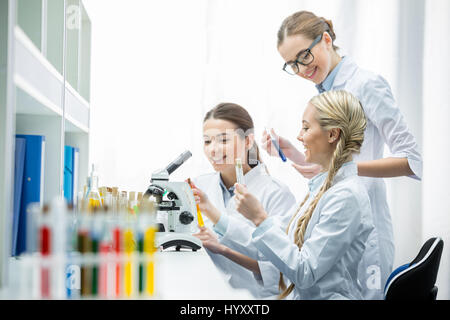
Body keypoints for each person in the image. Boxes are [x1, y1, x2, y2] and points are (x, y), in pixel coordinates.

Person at [261, 10, 422, 299]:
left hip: (365, 226)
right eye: (291, 64)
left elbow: (412, 161)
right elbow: (329, 168)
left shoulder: (366, 85)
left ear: (325, 40)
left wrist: (346, 170)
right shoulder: (324, 92)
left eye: (304, 57)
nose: (301, 69)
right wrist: (294, 154)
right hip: (334, 223)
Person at [190, 102, 296, 298]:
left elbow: (281, 269)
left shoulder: (276, 194)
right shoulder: (199, 186)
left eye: (223, 140)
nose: (213, 150)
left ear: (248, 142)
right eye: (207, 141)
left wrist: (222, 245)